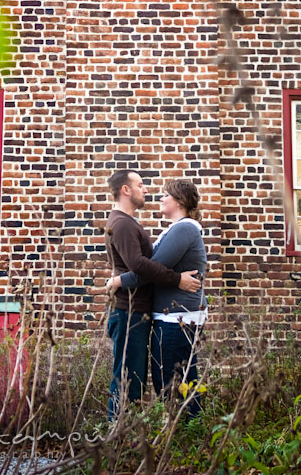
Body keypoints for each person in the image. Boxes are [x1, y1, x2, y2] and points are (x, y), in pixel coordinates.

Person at [105, 170, 201, 419]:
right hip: (131, 312)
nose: (149, 191)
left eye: (165, 194)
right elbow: (142, 267)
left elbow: (145, 267)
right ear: (126, 190)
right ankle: (119, 439)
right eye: (141, 184)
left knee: (157, 380)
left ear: (179, 201)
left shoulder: (180, 229)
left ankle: (186, 433)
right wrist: (177, 279)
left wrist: (119, 279)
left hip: (162, 316)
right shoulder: (124, 223)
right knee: (131, 379)